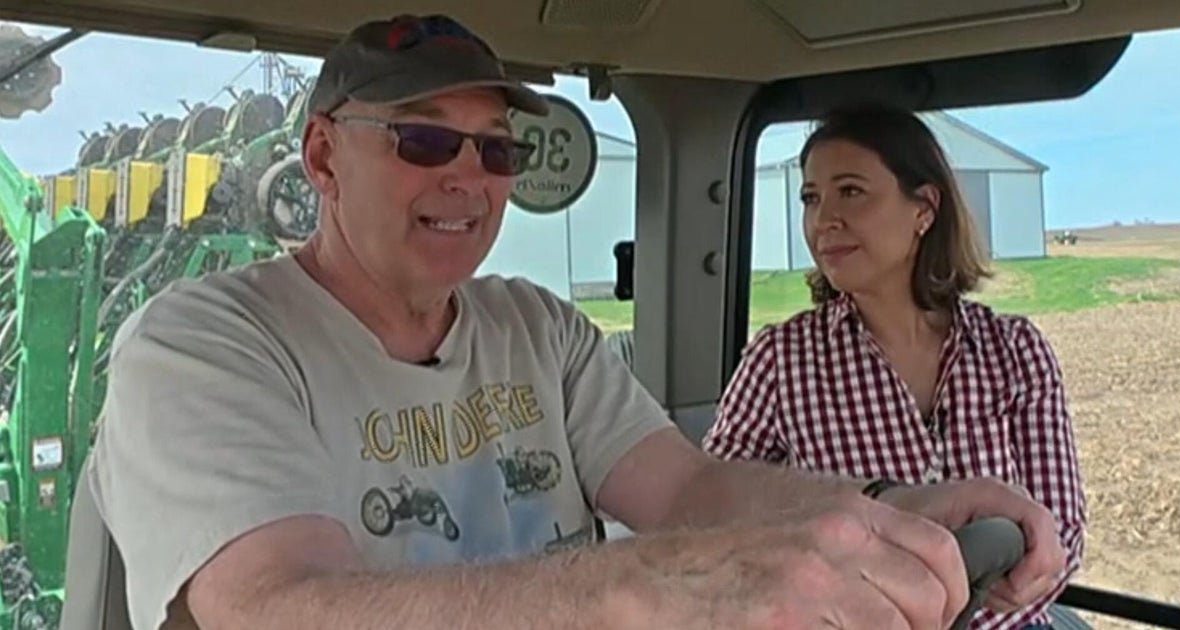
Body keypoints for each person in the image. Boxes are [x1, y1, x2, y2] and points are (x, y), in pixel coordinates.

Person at [85, 15, 1068, 630]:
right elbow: (277, 608)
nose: (468, 178)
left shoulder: (534, 327)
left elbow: (686, 486)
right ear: (322, 158)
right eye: (424, 140)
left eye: (495, 151)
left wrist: (885, 507)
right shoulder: (209, 344)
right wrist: (646, 588)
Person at [703, 103, 1086, 630]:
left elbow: (1060, 529)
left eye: (851, 191)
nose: (824, 220)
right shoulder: (780, 360)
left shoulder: (1014, 350)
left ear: (924, 209)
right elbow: (711, 512)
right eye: (811, 198)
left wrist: (1013, 585)